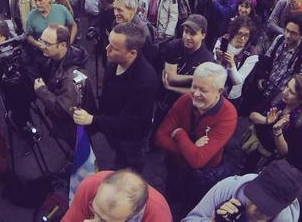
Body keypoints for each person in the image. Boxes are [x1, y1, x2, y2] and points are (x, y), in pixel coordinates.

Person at [73, 23, 158, 172]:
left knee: (128, 166)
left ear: (132, 53)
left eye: (114, 48)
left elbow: (130, 124)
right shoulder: (113, 64)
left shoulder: (145, 81)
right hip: (113, 127)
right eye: (108, 43)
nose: (107, 49)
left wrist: (93, 120)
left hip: (131, 139)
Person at [156, 62, 238, 203]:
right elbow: (159, 137)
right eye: (194, 86)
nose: (195, 94)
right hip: (175, 166)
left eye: (203, 90)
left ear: (219, 91)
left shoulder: (228, 115)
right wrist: (191, 147)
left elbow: (197, 161)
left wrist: (179, 134)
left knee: (190, 204)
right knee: (169, 198)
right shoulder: (184, 100)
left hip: (202, 174)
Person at [183, 159, 302, 222]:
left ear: (283, 207)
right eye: (254, 197)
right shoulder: (231, 186)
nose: (254, 209)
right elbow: (188, 220)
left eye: (265, 208)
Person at [33, 24, 91, 147]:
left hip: (74, 128)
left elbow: (63, 110)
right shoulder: (55, 57)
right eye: (41, 41)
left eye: (47, 44)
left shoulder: (72, 76)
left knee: (80, 150)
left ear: (63, 45)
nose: (42, 46)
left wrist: (41, 90)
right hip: (68, 126)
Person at [246, 74, 302, 167]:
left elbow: (285, 153)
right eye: (287, 86)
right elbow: (251, 115)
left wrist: (278, 132)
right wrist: (266, 120)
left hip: (267, 158)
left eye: (291, 92)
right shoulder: (279, 96)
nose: (284, 92)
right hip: (253, 142)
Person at [63, 170, 172, 222]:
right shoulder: (89, 186)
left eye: (104, 221)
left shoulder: (160, 218)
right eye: (94, 210)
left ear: (132, 215)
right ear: (100, 187)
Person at [161, 14, 215, 106]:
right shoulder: (173, 46)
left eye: (193, 33)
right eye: (186, 32)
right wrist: (195, 78)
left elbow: (199, 93)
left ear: (203, 35)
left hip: (188, 105)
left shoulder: (207, 59)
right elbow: (170, 78)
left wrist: (171, 88)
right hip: (165, 100)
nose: (187, 37)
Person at [214, 16, 259, 105]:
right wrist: (218, 59)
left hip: (232, 95)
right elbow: (215, 68)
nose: (243, 39)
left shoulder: (252, 53)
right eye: (240, 34)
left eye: (246, 35)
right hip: (216, 87)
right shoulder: (223, 41)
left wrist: (232, 65)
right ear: (234, 32)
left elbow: (238, 81)